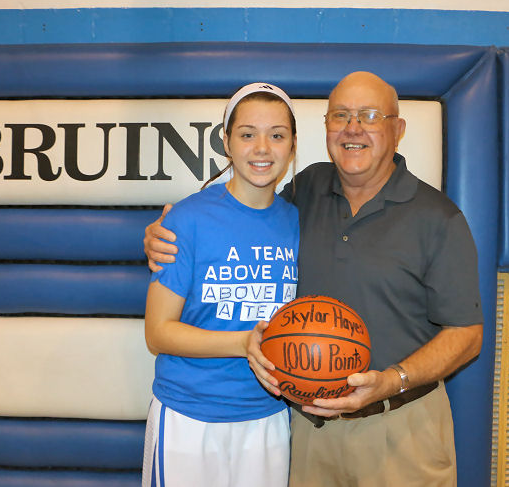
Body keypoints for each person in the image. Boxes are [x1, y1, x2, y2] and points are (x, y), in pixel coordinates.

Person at [144, 72, 483, 487]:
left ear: (398, 130)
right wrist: (162, 232)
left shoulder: (438, 217)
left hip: (399, 426)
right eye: (340, 115)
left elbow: (467, 335)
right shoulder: (305, 193)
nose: (353, 127)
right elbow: (236, 218)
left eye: (370, 115)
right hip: (308, 430)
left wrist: (391, 381)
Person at [141, 82, 300, 487]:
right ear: (227, 142)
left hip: (267, 416)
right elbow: (157, 333)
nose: (262, 148)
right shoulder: (187, 219)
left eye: (276, 135)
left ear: (292, 145)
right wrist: (244, 343)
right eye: (247, 134)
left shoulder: (299, 222)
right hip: (189, 416)